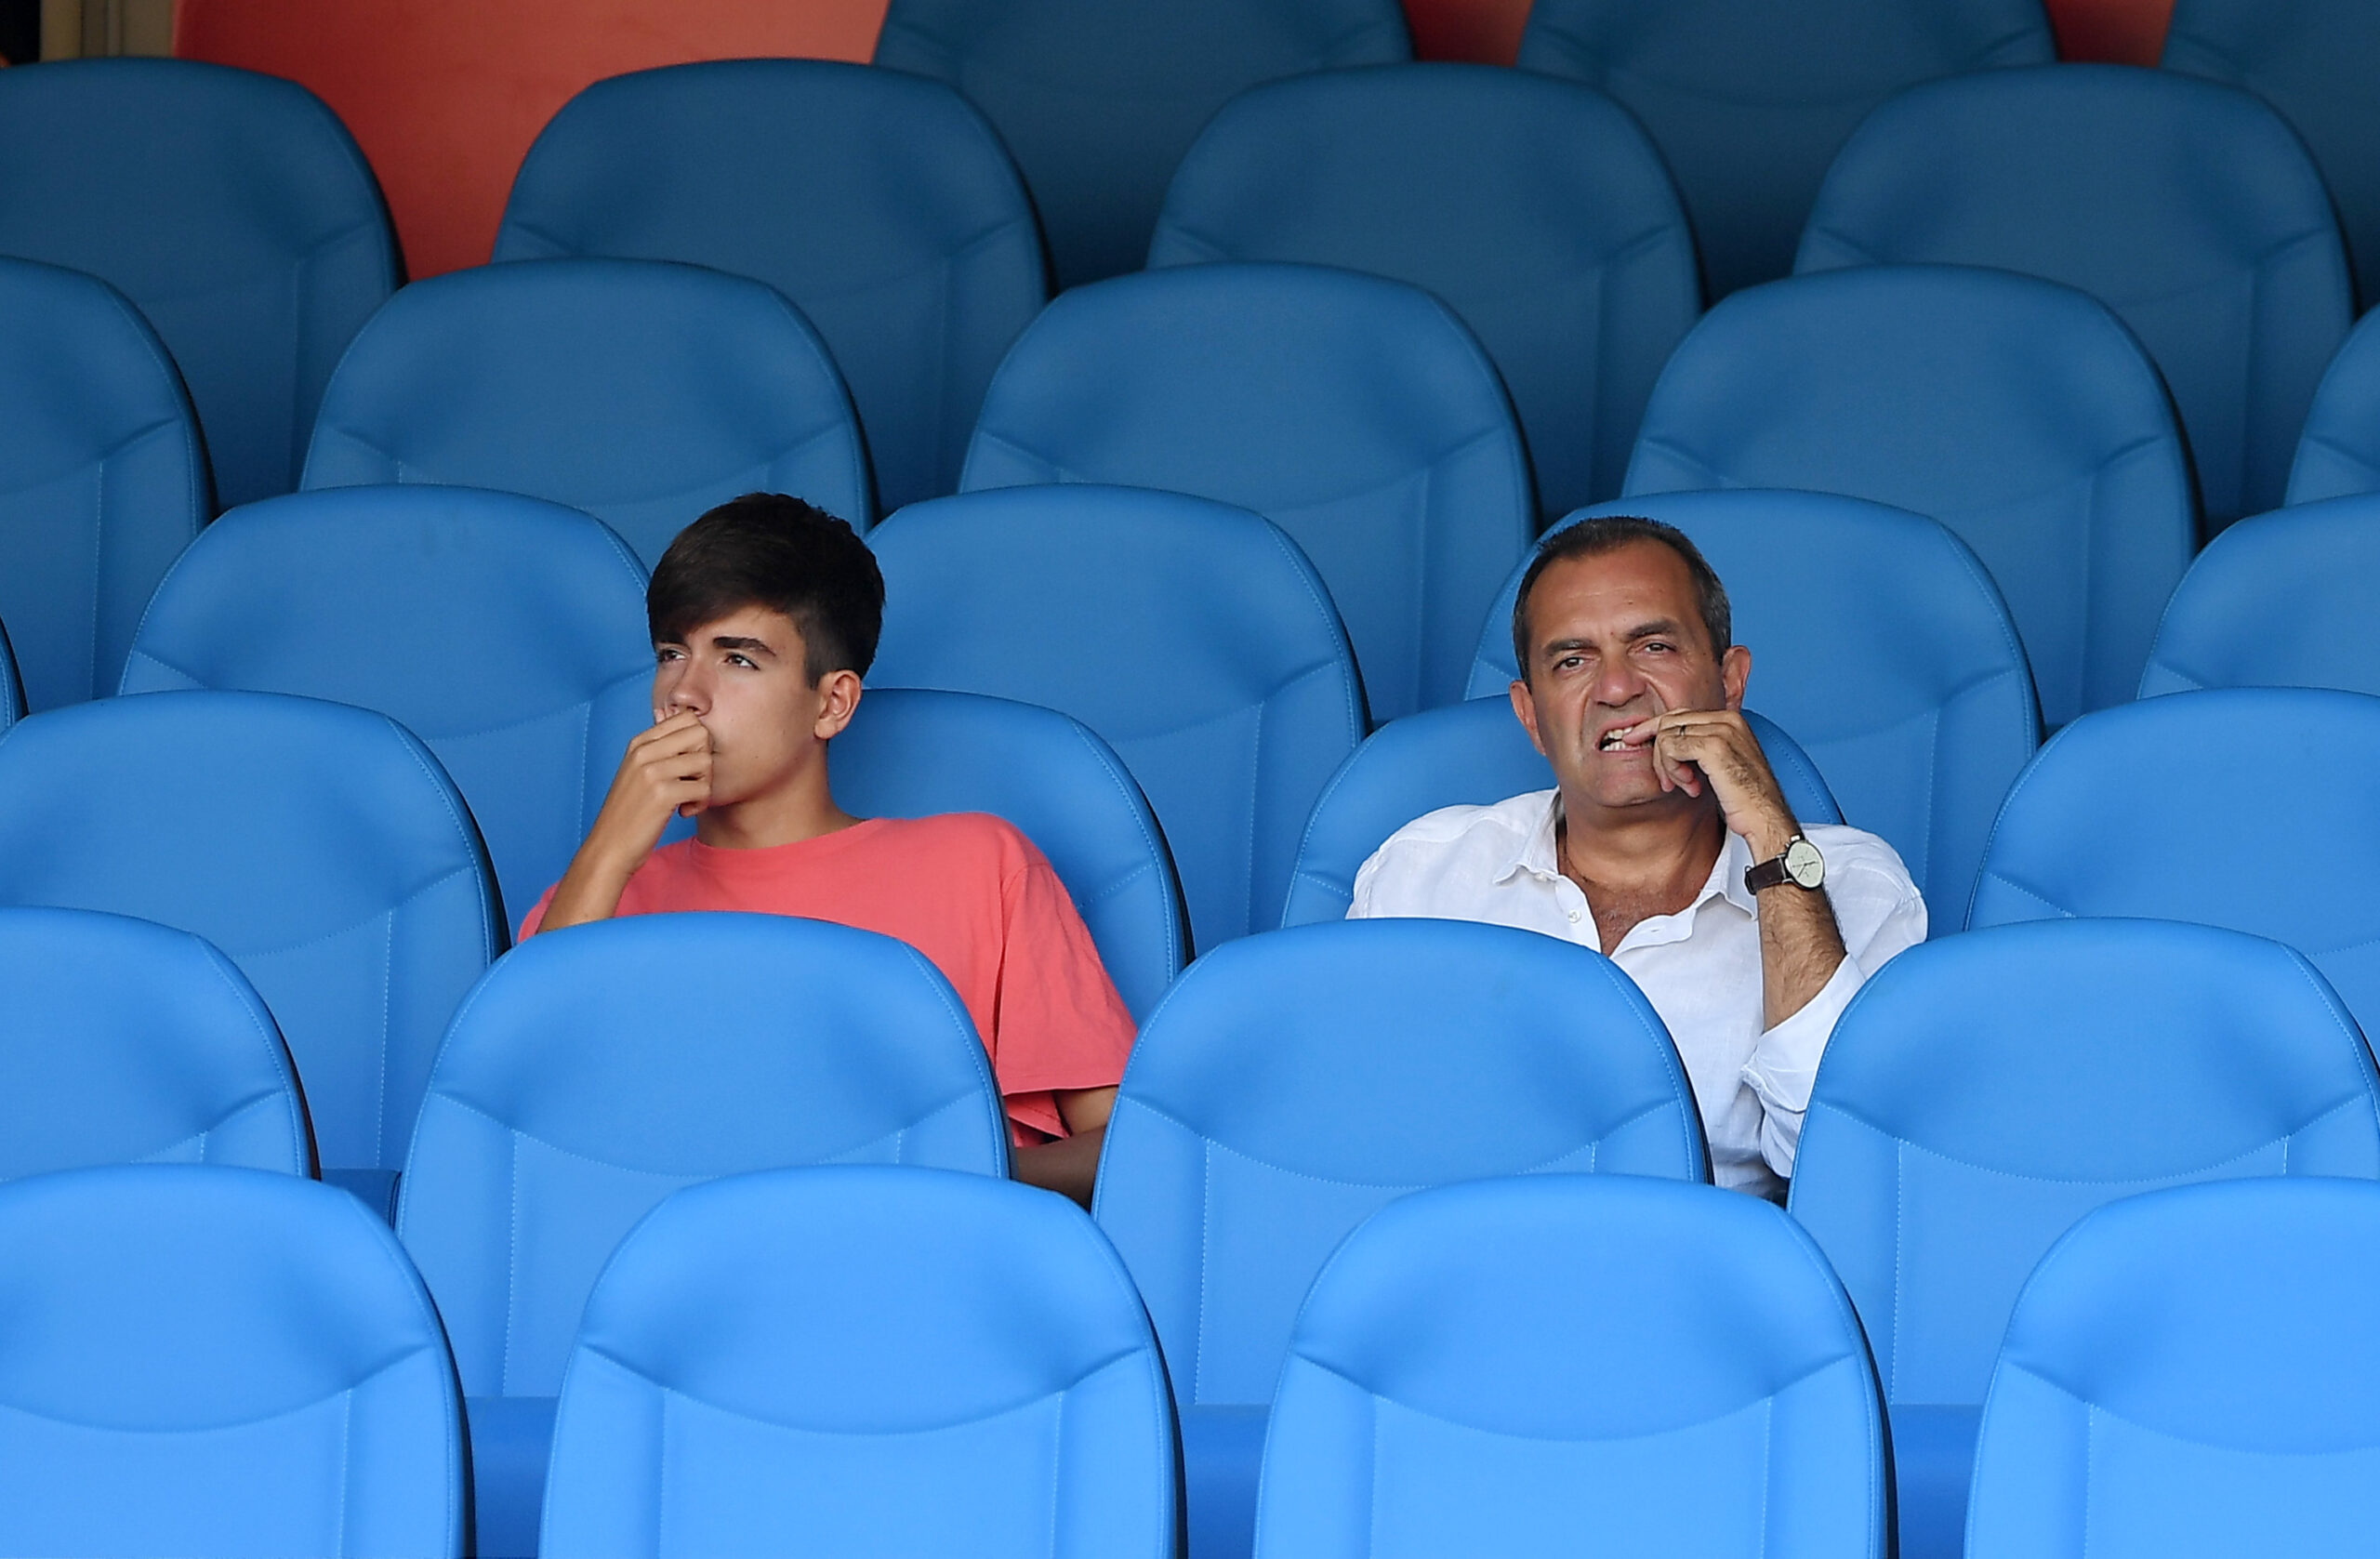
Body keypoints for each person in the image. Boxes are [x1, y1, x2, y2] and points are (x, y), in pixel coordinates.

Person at [522, 493, 1135, 1206]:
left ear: (832, 703)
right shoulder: (592, 901)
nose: (684, 693)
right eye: (670, 653)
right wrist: (607, 851)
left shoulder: (982, 867)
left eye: (739, 660)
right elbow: (512, 1129)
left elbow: (1125, 1149)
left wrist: (931, 1172)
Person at [1348, 516, 1924, 1198]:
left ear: (1730, 682)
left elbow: (1842, 1163)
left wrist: (1772, 839)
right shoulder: (1422, 874)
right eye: (1573, 660)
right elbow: (1352, 1130)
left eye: (1653, 646)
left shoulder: (1851, 885)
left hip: (1699, 1286)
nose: (1617, 688)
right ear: (1530, 716)